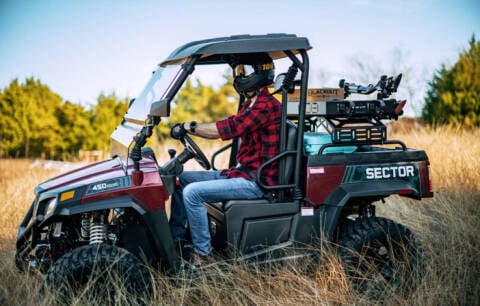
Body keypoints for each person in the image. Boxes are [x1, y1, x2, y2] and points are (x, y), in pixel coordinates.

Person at [169, 53, 282, 265]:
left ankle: (203, 256)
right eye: (237, 72)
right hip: (240, 173)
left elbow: (228, 129)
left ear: (259, 72)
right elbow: (233, 124)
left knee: (192, 193)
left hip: (256, 183)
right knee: (180, 180)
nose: (239, 77)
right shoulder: (250, 103)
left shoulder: (265, 105)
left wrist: (189, 127)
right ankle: (175, 242)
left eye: (244, 71)